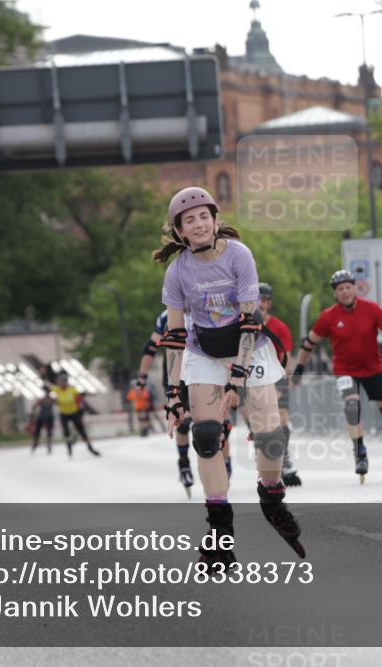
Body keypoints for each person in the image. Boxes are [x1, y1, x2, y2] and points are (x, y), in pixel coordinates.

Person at [154, 186, 304, 565]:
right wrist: (173, 396)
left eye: (205, 216)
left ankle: (272, 497)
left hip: (247, 347)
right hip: (204, 351)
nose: (199, 224)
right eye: (190, 220)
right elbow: (173, 339)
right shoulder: (177, 272)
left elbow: (250, 321)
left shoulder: (239, 256)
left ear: (216, 220)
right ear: (180, 232)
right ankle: (220, 532)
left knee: (270, 434)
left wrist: (237, 378)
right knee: (206, 437)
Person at [292, 269, 382, 483]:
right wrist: (298, 370)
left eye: (348, 287)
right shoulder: (328, 316)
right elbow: (308, 344)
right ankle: (360, 451)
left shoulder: (371, 309)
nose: (345, 292)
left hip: (373, 368)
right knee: (352, 407)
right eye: (340, 289)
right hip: (345, 370)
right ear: (335, 294)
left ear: (354, 288)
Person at [138, 309, 233, 498]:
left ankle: (225, 458)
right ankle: (183, 462)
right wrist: (142, 375)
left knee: (220, 421)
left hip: (204, 369)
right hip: (177, 373)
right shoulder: (166, 315)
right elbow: (150, 347)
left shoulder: (208, 305)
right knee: (183, 421)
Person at [257, 282, 302, 487]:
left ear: (269, 303)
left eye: (265, 300)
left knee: (282, 420)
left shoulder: (279, 327)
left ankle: (285, 458)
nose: (261, 303)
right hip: (252, 379)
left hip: (275, 377)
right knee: (260, 424)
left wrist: (281, 382)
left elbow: (286, 358)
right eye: (258, 299)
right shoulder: (242, 325)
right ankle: (266, 462)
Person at [51, 372, 100, 457]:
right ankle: (69, 447)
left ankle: (90, 448)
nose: (59, 384)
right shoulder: (56, 389)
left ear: (65, 382)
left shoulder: (72, 390)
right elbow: (48, 389)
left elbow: (81, 394)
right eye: (58, 382)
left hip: (74, 412)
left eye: (60, 382)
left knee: (82, 431)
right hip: (64, 414)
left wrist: (92, 393)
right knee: (66, 432)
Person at [30, 386, 56, 454]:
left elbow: (34, 407)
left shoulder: (51, 399)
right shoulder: (43, 399)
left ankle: (48, 445)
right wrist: (32, 415)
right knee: (38, 432)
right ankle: (35, 444)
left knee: (49, 432)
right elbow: (34, 406)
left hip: (48, 417)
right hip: (42, 417)